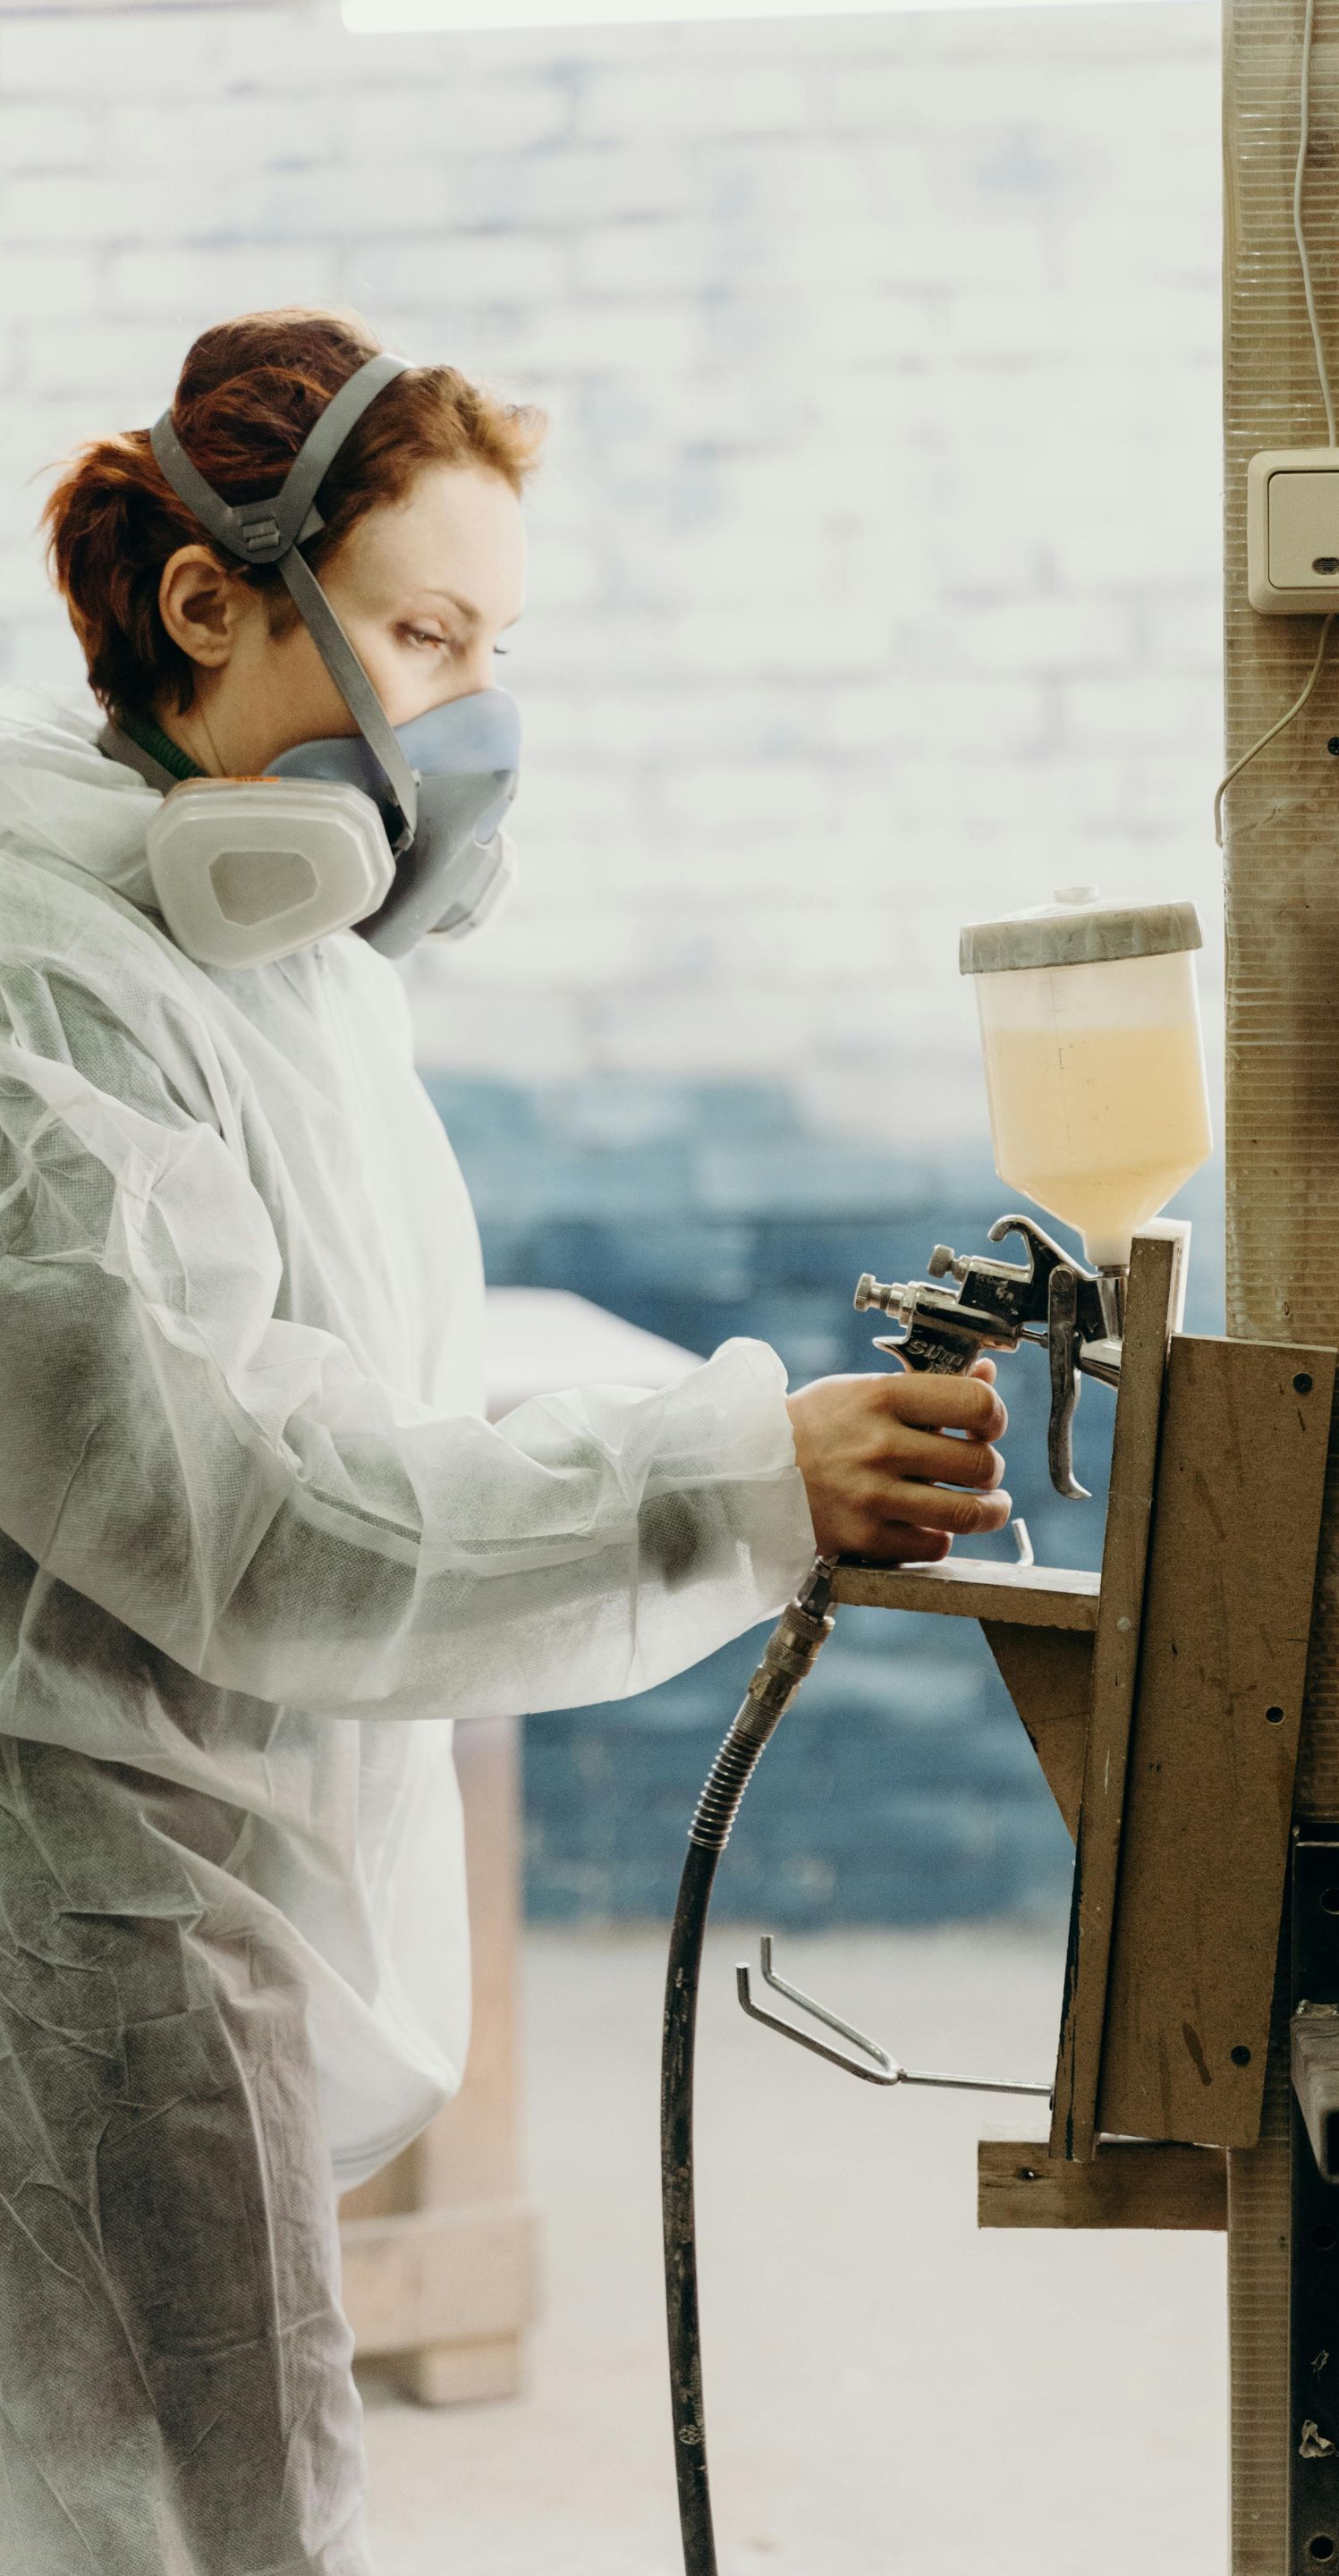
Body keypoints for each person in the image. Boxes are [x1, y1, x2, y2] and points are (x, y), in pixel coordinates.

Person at [0, 307, 1010, 2576]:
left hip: (207, 1874)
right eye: (425, 635)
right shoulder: (39, 972)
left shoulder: (274, 959)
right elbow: (250, 1511)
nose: (477, 716)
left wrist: (718, 1468)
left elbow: (374, 1412)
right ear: (208, 603)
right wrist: (731, 1481)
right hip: (91, 1915)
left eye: (496, 645)